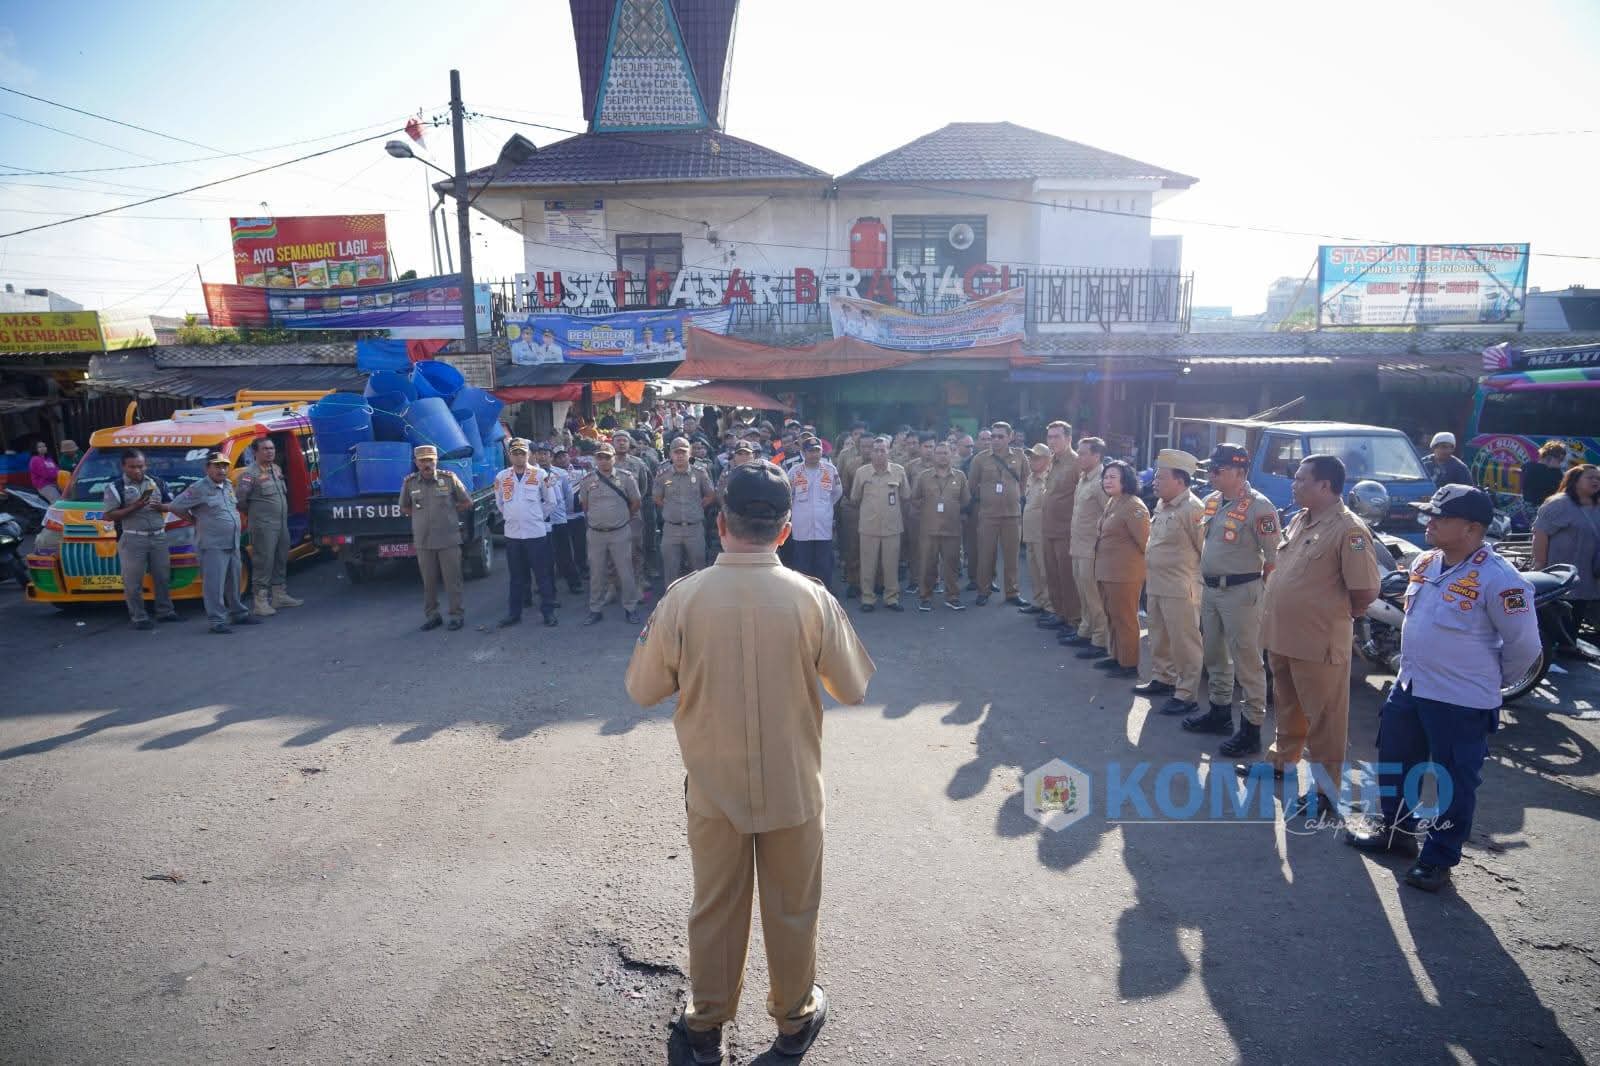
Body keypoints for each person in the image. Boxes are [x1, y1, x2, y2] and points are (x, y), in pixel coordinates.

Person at [624, 461, 874, 1065]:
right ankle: (794, 1019)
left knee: (715, 909)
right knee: (793, 910)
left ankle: (706, 1027)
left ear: (721, 522)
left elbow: (642, 689)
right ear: (785, 530)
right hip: (794, 790)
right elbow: (853, 687)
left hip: (714, 791)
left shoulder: (683, 599)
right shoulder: (812, 599)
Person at [1346, 485, 1540, 893]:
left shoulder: (1501, 579)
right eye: (1430, 514)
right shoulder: (1426, 561)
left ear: (1472, 528)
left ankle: (1438, 858)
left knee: (1454, 780)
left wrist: (1489, 681)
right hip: (1410, 686)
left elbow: (1525, 648)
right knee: (1397, 763)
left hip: (1460, 699)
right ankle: (1397, 832)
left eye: (1441, 517)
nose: (1429, 522)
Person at [1243, 455, 1381, 815]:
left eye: (1302, 479)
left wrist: (1337, 616)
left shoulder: (1349, 530)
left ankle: (1325, 791)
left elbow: (1365, 590)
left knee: (1325, 718)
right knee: (1288, 706)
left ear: (1325, 485)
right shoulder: (1300, 519)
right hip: (1284, 635)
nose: (1294, 484)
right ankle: (1282, 762)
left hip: (1319, 639)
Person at [1182, 443, 1280, 756]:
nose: (1211, 474)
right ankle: (1220, 713)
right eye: (1211, 468)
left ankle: (1251, 729)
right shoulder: (1212, 500)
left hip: (1242, 593)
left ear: (1239, 473)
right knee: (1214, 655)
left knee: (1248, 662)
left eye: (1218, 469)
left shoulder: (1260, 507)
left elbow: (1274, 558)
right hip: (1211, 590)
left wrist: (1263, 595)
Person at [1140, 449, 1206, 716]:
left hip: (1181, 588)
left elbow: (1204, 550)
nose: (1155, 482)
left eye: (1161, 478)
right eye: (1156, 477)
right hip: (1157, 584)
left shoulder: (1193, 509)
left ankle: (1186, 694)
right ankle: (1163, 677)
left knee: (1184, 642)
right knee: (1158, 636)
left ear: (1180, 481)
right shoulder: (1163, 504)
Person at [167, 452, 261, 635]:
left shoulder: (227, 485)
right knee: (214, 585)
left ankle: (238, 613)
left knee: (234, 581)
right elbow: (176, 506)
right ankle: (217, 620)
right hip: (212, 544)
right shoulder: (199, 488)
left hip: (232, 542)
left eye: (224, 466)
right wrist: (194, 520)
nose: (222, 470)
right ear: (207, 468)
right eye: (217, 466)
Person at [101, 448, 181, 630]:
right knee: (133, 582)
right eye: (132, 467)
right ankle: (139, 617)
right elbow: (109, 515)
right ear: (123, 467)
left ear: (146, 465)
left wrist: (161, 507)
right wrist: (135, 506)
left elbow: (172, 504)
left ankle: (165, 612)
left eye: (140, 466)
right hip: (133, 538)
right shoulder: (115, 487)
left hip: (158, 536)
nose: (137, 470)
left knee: (162, 577)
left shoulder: (157, 482)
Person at [398, 444, 472, 631]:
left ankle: (456, 615)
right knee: (428, 582)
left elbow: (466, 501)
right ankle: (433, 615)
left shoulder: (449, 479)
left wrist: (449, 512)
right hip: (424, 541)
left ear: (436, 461)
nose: (427, 464)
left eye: (430, 460)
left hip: (448, 539)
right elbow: (404, 507)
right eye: (423, 461)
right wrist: (420, 517)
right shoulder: (410, 483)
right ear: (416, 463)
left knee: (452, 581)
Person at [1093, 460, 1150, 679]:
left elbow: (1145, 543)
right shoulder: (1114, 501)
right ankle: (1117, 656)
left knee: (1125, 618)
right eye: (1105, 477)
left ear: (1125, 480)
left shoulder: (1134, 506)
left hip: (1124, 575)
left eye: (1113, 477)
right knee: (1112, 615)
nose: (1107, 481)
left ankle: (1129, 664)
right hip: (1107, 572)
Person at [494, 438, 560, 628]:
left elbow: (551, 502)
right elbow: (500, 503)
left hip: (536, 534)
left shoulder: (540, 474)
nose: (519, 457)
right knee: (516, 577)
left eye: (522, 453)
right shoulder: (501, 477)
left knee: (542, 575)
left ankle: (548, 612)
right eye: (515, 453)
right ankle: (514, 614)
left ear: (529, 455)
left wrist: (536, 516)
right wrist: (512, 516)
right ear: (510, 456)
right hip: (513, 535)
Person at [1532, 463, 1600, 643]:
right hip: (1562, 575)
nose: (1596, 481)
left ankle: (1569, 646)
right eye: (1590, 477)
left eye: (1598, 478)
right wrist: (1540, 563)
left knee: (1578, 615)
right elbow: (1540, 533)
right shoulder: (1559, 504)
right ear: (1575, 481)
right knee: (1558, 617)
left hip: (1590, 576)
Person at [236, 438, 302, 617]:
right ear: (255, 452)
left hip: (281, 524)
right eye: (265, 449)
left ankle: (279, 595)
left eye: (272, 448)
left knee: (281, 558)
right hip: (263, 526)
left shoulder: (276, 469)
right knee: (263, 562)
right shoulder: (249, 474)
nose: (270, 451)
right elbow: (241, 500)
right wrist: (257, 515)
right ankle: (261, 601)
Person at [965, 421, 1028, 607]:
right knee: (985, 555)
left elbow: (1025, 480)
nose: (996, 440)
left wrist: (1015, 497)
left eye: (1001, 436)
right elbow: (971, 486)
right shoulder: (980, 459)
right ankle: (983, 591)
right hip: (988, 515)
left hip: (1012, 515)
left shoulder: (1020, 457)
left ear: (1010, 437)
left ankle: (1012, 592)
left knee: (1011, 556)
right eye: (993, 436)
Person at [580, 443, 643, 625]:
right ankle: (595, 609)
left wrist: (623, 517)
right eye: (600, 457)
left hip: (619, 532)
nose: (603, 461)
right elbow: (585, 505)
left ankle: (630, 608)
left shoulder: (626, 478)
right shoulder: (587, 480)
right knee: (596, 573)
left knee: (626, 572)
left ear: (614, 458)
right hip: (596, 534)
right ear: (595, 459)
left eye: (607, 457)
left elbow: (636, 502)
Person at [1064, 438, 1111, 659]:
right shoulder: (1084, 478)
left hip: (1092, 548)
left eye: (1083, 453)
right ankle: (1085, 630)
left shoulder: (1102, 481)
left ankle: (1100, 640)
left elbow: (1109, 514)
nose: (1079, 457)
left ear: (1096, 456)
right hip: (1078, 545)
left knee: (1094, 596)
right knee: (1082, 593)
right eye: (1079, 452)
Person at [850, 436, 908, 613]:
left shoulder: (898, 471)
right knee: (868, 565)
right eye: (876, 450)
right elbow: (855, 497)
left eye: (883, 450)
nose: (879, 453)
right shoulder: (862, 473)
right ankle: (868, 598)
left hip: (892, 526)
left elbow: (906, 495)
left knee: (891, 565)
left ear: (888, 451)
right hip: (869, 526)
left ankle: (892, 598)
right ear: (871, 453)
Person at [913, 441, 967, 612]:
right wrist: (928, 509)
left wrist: (953, 510)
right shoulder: (923, 476)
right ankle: (925, 596)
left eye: (945, 453)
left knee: (952, 564)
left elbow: (966, 500)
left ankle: (952, 597)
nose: (942, 456)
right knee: (927, 564)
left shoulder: (960, 476)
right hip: (929, 529)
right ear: (934, 456)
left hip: (952, 529)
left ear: (951, 455)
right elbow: (915, 499)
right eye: (939, 453)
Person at [655, 437, 717, 583]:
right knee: (671, 570)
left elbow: (710, 495)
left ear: (689, 453)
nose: (680, 455)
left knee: (698, 570)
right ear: (671, 454)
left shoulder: (700, 473)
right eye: (676, 452)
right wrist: (671, 509)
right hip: (671, 529)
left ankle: (698, 597)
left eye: (683, 452)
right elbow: (657, 498)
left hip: (694, 528)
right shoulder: (663, 475)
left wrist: (696, 507)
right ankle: (671, 597)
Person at [1039, 420, 1080, 635]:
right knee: (1052, 575)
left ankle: (1073, 620)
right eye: (1050, 437)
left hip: (1066, 531)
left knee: (1067, 577)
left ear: (1069, 439)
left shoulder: (1076, 463)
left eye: (1057, 436)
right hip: (1049, 528)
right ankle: (1059, 613)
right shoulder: (1053, 460)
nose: (1052, 441)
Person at [787, 435, 843, 588]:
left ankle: (824, 593)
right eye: (811, 451)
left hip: (823, 525)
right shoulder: (794, 471)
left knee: (824, 564)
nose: (814, 454)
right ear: (803, 453)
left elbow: (837, 492)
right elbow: (788, 495)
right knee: (802, 565)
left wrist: (825, 507)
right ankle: (803, 594)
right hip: (802, 526)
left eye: (817, 450)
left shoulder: (830, 470)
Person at [1020, 443, 1054, 618]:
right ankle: (1039, 601)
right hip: (1030, 532)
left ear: (1047, 460)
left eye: (1037, 458)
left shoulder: (1050, 479)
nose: (1032, 461)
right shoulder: (1031, 478)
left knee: (1045, 571)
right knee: (1033, 570)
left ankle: (1050, 607)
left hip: (1043, 533)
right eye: (1031, 457)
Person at [836, 425, 868, 598]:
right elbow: (842, 482)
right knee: (852, 546)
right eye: (856, 434)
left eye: (861, 434)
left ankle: (874, 581)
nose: (858, 436)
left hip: (874, 508)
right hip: (853, 507)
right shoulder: (846, 457)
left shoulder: (880, 458)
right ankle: (853, 581)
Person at [550, 445, 586, 594]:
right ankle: (562, 570)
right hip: (560, 516)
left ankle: (583, 567)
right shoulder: (550, 474)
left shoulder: (580, 470)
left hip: (578, 514)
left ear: (568, 456)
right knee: (561, 548)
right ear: (554, 459)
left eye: (564, 455)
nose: (562, 459)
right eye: (558, 457)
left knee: (580, 544)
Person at [1520, 441, 1567, 508]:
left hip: (1525, 508)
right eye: (1560, 460)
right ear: (1549, 458)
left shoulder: (1528, 467)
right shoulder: (1555, 474)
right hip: (1543, 509)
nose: (1561, 464)